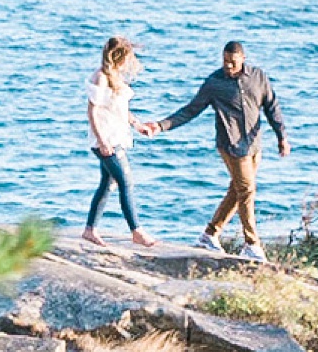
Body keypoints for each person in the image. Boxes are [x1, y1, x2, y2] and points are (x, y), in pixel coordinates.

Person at [150, 37, 289, 257]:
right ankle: (252, 244)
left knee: (237, 190)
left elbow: (272, 107)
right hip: (231, 146)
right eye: (225, 61)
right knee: (247, 191)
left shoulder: (259, 77)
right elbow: (190, 110)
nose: (229, 66)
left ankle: (209, 235)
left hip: (254, 145)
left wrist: (282, 136)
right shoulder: (214, 83)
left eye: (233, 62)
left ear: (243, 59)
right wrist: (161, 126)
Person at [83, 35, 149, 242]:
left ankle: (90, 230)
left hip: (117, 137)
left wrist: (137, 124)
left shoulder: (115, 77)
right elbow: (92, 112)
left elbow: (120, 108)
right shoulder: (101, 77)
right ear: (119, 57)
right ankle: (136, 231)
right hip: (105, 141)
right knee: (126, 182)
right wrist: (102, 141)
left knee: (106, 183)